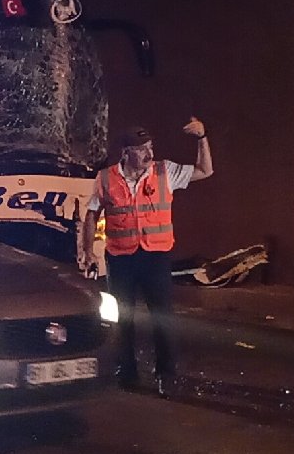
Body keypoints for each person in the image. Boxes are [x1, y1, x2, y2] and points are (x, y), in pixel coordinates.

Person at [80, 117, 214, 398]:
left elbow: (206, 170)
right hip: (121, 258)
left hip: (156, 256)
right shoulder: (106, 178)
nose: (149, 153)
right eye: (141, 149)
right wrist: (87, 250)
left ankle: (166, 374)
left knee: (162, 318)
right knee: (123, 318)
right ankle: (126, 371)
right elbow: (92, 213)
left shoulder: (165, 172)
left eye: (150, 147)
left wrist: (202, 138)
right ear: (126, 152)